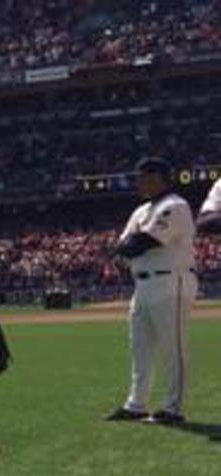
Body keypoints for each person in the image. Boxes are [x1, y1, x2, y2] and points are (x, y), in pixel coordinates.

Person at [106, 158, 195, 425]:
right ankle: (136, 404)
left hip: (171, 281)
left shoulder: (175, 205)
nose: (138, 181)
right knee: (139, 347)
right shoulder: (142, 210)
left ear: (158, 177)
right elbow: (124, 244)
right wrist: (128, 245)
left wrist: (130, 244)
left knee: (172, 346)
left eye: (143, 176)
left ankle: (172, 407)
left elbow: (141, 242)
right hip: (142, 285)